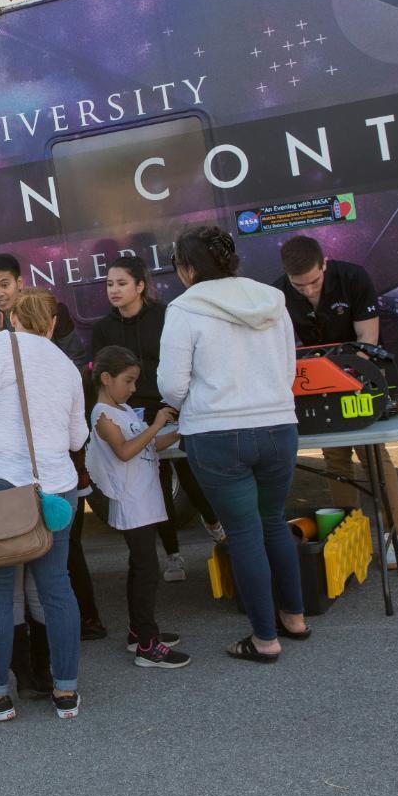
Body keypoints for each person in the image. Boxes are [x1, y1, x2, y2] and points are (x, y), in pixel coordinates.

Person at [158, 226, 310, 663]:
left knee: (244, 533)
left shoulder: (184, 308)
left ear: (188, 268)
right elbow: (288, 367)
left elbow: (172, 386)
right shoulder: (272, 299)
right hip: (278, 426)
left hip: (217, 434)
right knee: (274, 521)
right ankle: (295, 617)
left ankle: (264, 639)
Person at [0, 288, 86, 721]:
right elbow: (77, 439)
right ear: (51, 324)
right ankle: (66, 692)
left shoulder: (0, 347)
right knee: (57, 589)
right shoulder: (66, 366)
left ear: (13, 319)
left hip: (2, 483)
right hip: (56, 488)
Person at [0, 255, 106, 645]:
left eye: (3, 285)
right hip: (56, 478)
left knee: (8, 587)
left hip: (15, 477)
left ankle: (12, 672)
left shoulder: (6, 342)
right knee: (51, 581)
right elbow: (77, 436)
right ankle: (60, 670)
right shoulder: (61, 362)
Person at [90, 255, 225, 582]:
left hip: (172, 406)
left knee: (190, 473)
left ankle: (216, 528)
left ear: (140, 286)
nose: (114, 290)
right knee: (159, 482)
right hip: (132, 416)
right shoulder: (103, 329)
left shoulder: (165, 316)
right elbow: (100, 380)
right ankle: (173, 554)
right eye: (109, 284)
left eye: (121, 283)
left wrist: (179, 406)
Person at [275, 234, 398, 565]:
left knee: (374, 456)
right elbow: (284, 349)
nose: (307, 290)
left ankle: (395, 537)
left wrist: (341, 376)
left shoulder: (353, 277)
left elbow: (368, 340)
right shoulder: (277, 293)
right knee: (335, 460)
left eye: (314, 282)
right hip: (316, 388)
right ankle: (351, 537)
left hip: (360, 381)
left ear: (324, 264)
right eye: (299, 285)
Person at [87, 346, 191, 669]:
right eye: (128, 381)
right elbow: (124, 451)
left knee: (140, 568)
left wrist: (177, 432)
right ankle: (148, 645)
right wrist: (156, 423)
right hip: (132, 503)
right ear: (106, 378)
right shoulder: (102, 415)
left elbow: (149, 445)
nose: (133, 388)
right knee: (146, 572)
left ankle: (139, 632)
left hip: (146, 499)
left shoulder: (123, 410)